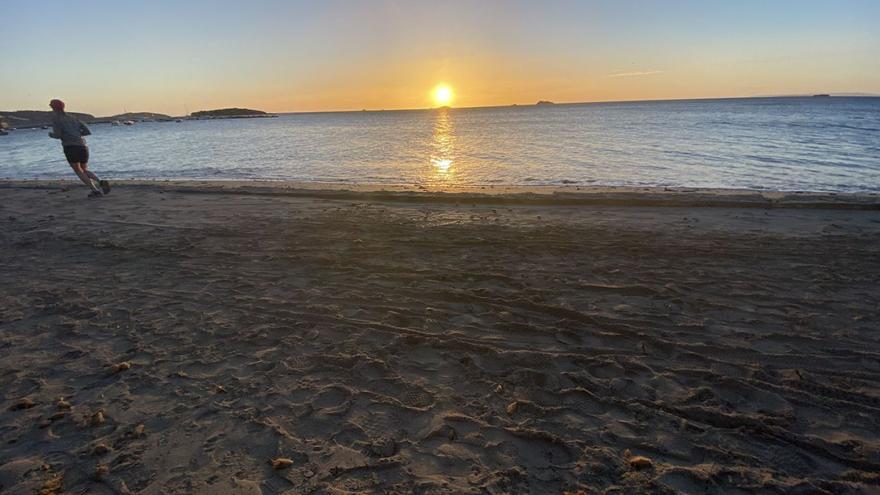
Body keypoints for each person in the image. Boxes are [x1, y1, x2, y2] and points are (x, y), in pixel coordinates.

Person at [48, 99, 110, 197]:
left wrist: (51, 134)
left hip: (70, 146)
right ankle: (100, 182)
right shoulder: (73, 117)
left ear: (53, 107)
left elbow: (58, 135)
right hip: (83, 146)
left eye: (51, 105)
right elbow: (87, 131)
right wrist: (76, 134)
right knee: (84, 169)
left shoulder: (56, 119)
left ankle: (95, 190)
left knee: (78, 170)